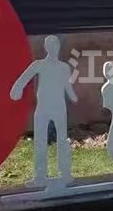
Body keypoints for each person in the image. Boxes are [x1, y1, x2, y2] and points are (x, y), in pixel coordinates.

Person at [10, 35, 78, 185]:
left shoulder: (64, 67)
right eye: (51, 45)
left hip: (59, 108)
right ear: (46, 47)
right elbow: (24, 78)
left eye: (56, 45)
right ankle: (40, 176)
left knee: (62, 140)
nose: (54, 48)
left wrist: (73, 97)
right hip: (43, 108)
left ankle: (65, 173)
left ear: (59, 46)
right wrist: (17, 90)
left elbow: (67, 86)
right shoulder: (39, 65)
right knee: (40, 141)